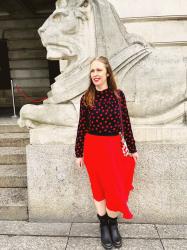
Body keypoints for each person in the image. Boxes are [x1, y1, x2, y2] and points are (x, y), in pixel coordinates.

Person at [75, 56, 139, 249]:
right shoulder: (86, 97)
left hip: (114, 148)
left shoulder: (118, 95)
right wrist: (78, 153)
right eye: (92, 71)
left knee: (115, 187)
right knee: (98, 187)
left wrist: (133, 148)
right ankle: (104, 225)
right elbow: (81, 127)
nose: (95, 74)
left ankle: (113, 222)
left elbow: (126, 123)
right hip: (93, 148)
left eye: (99, 70)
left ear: (107, 73)